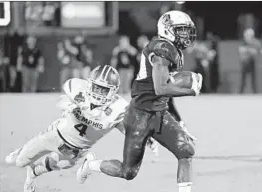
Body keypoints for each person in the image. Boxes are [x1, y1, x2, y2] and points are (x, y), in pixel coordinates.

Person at [77, 10, 202, 192]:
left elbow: (164, 96)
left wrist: (179, 122)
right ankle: (91, 165)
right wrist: (190, 90)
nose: (185, 35)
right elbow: (161, 88)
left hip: (159, 113)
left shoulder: (172, 50)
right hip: (139, 117)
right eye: (181, 30)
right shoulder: (162, 49)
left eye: (186, 30)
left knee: (186, 151)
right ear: (168, 30)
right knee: (128, 172)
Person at [5, 65, 158, 192]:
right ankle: (21, 150)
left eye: (103, 90)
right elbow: (60, 101)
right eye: (96, 87)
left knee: (57, 165)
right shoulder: (79, 90)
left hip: (76, 150)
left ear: (113, 91)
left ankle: (32, 174)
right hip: (55, 135)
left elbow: (128, 129)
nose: (98, 93)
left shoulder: (118, 108)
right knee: (19, 162)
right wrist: (71, 106)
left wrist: (144, 138)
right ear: (89, 84)